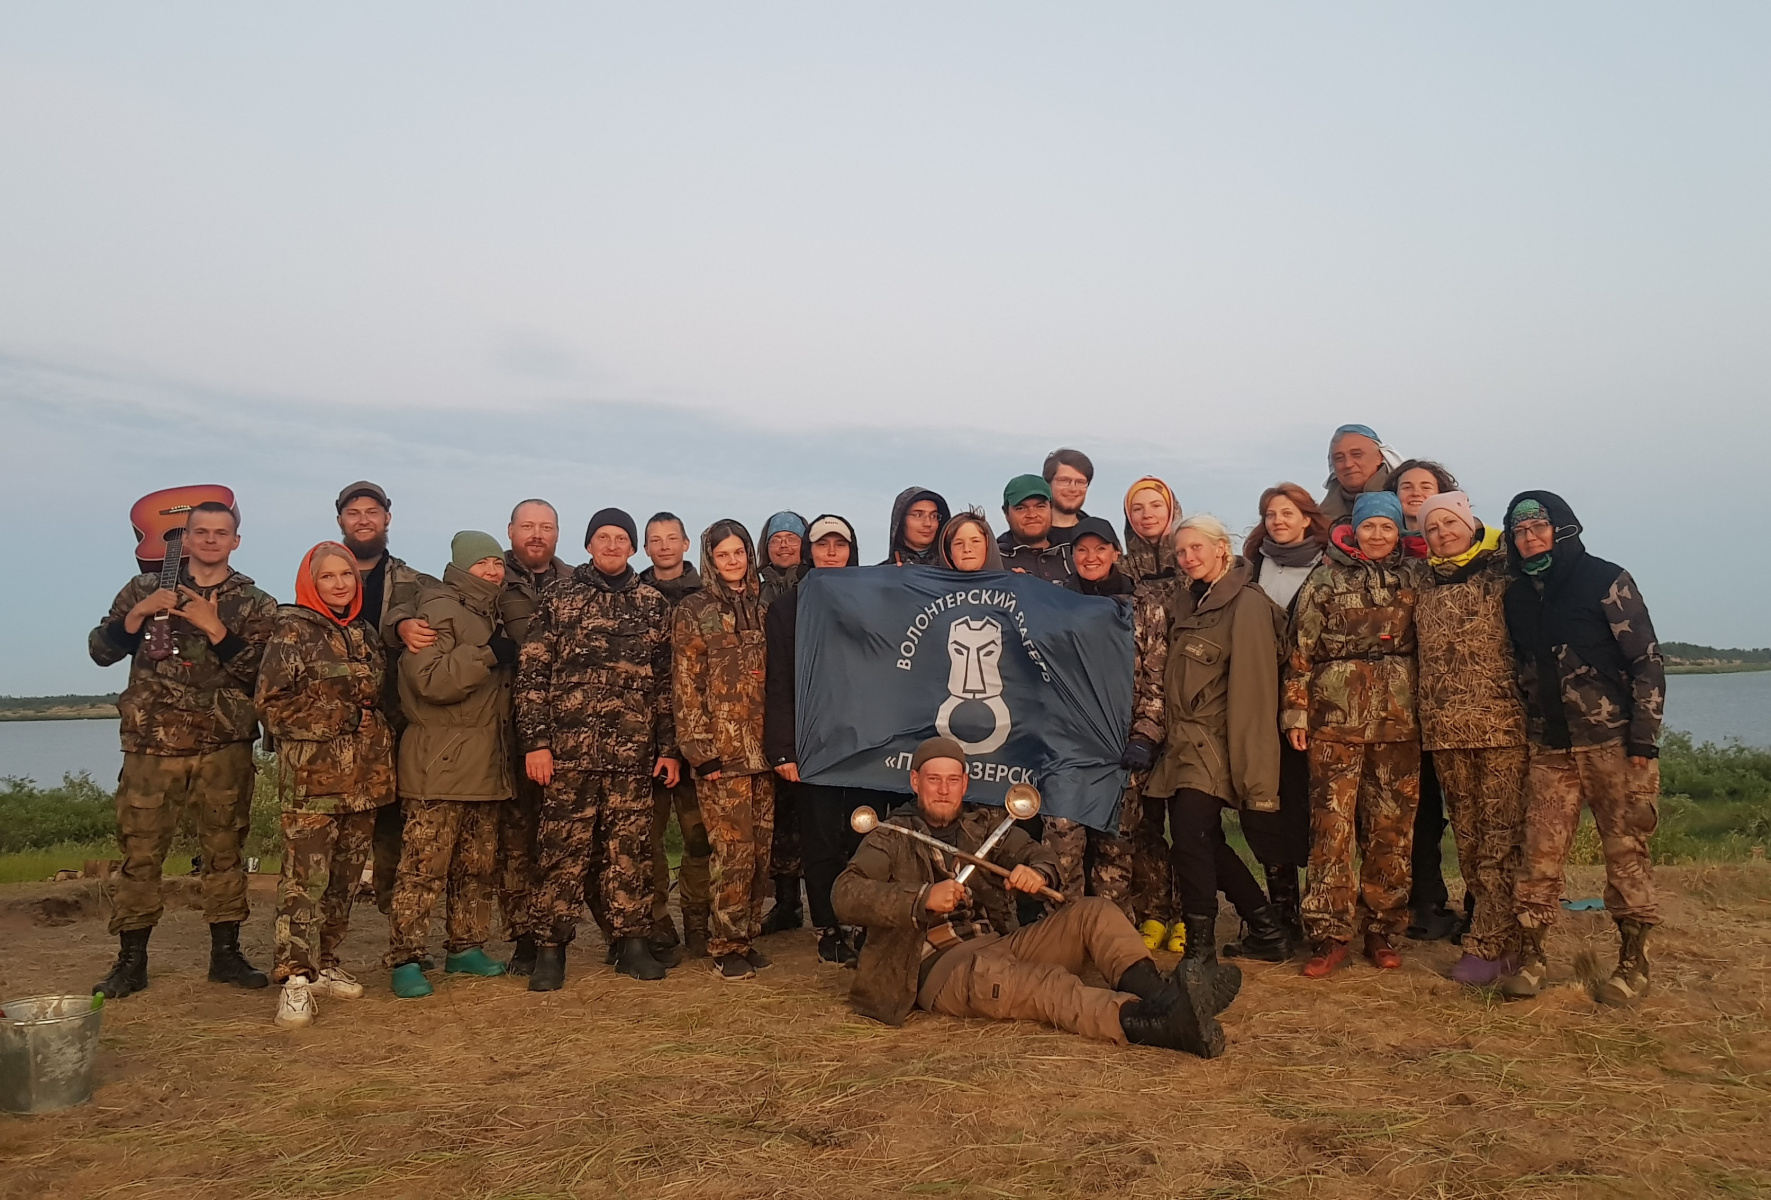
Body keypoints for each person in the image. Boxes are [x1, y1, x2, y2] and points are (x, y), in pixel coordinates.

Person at [831, 737, 1237, 1058]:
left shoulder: (982, 824)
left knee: (1094, 911)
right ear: (915, 782)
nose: (943, 790)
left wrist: (1037, 872)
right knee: (1046, 985)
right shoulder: (891, 836)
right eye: (933, 780)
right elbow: (845, 894)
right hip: (939, 969)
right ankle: (1154, 1025)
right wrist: (921, 897)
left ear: (964, 784)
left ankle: (1166, 998)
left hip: (999, 942)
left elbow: (1037, 854)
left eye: (952, 780)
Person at [88, 500, 277, 1000]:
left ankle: (226, 955)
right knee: (140, 852)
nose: (211, 540)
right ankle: (131, 961)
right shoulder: (145, 588)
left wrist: (217, 630)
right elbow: (100, 651)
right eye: (202, 532)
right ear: (186, 539)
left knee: (225, 851)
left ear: (236, 541)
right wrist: (137, 615)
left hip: (223, 744)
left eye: (221, 532)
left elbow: (266, 675)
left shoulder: (256, 603)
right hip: (152, 744)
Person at [1498, 492, 1665, 1006]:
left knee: (1626, 853)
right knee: (1538, 855)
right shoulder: (1516, 596)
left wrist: (1644, 738)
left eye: (1538, 528)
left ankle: (1633, 964)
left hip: (1615, 744)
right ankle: (1532, 959)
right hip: (1549, 746)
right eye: (1519, 531)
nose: (1530, 538)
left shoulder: (1605, 580)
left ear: (1562, 528)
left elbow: (1647, 661)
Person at [517, 508, 681, 990]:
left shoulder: (652, 604)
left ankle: (632, 944)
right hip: (568, 756)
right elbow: (532, 675)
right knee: (560, 854)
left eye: (621, 538)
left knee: (630, 853)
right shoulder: (559, 597)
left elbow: (666, 685)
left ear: (633, 548)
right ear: (588, 545)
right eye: (603, 537)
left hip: (632, 758)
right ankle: (550, 950)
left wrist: (668, 748)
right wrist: (536, 743)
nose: (612, 545)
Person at [1136, 516, 1291, 964]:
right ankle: (1266, 928)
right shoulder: (1190, 602)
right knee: (1202, 840)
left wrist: (1256, 777)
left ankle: (1200, 948)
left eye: (1196, 548)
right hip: (1181, 745)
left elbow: (1255, 695)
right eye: (1181, 552)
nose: (1187, 558)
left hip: (1216, 744)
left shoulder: (1247, 605)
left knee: (1190, 837)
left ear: (1222, 547)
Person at [254, 542, 397, 1029]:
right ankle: (295, 978)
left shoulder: (364, 633)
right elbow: (273, 706)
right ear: (310, 582)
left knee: (344, 881)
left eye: (346, 575)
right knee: (304, 881)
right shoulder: (292, 631)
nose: (339, 584)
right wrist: (345, 716)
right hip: (312, 783)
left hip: (364, 782)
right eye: (328, 576)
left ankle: (326, 961)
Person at [1284, 491, 1425, 977]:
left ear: (1398, 531)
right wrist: (1295, 713)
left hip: (1399, 721)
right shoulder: (1326, 578)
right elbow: (1300, 651)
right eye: (1369, 527)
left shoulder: (1415, 576)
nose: (1378, 535)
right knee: (1331, 827)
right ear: (1355, 530)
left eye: (1387, 527)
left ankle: (1383, 929)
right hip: (1335, 719)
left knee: (1392, 827)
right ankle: (1329, 932)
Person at [384, 533, 518, 998]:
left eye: (497, 563)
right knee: (423, 868)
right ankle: (406, 957)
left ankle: (465, 947)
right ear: (460, 567)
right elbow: (429, 681)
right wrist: (486, 655)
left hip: (486, 763)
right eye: (482, 563)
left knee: (476, 867)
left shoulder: (491, 611)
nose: (492, 571)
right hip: (439, 762)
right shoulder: (438, 610)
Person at [1413, 493, 1530, 986]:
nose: (1443, 533)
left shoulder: (1504, 571)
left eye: (1450, 523)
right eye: (1432, 528)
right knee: (1469, 838)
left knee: (1503, 837)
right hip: (1444, 730)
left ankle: (1497, 942)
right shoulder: (1421, 581)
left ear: (1469, 522)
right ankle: (1496, 932)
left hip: (1502, 725)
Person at [764, 513, 886, 965]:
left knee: (866, 836)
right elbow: (778, 683)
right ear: (808, 552)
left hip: (868, 744)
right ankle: (828, 927)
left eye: (840, 544)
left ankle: (864, 923)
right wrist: (783, 749)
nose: (831, 553)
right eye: (822, 544)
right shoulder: (787, 608)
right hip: (813, 744)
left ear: (852, 551)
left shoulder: (877, 601)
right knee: (820, 842)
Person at [674, 520, 776, 980]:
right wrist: (700, 750)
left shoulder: (765, 605)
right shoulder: (694, 610)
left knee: (759, 854)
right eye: (723, 554)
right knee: (731, 854)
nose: (733, 561)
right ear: (710, 560)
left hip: (764, 755)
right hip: (722, 756)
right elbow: (686, 685)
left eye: (739, 552)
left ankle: (747, 935)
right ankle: (726, 944)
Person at [1066, 517, 1169, 935]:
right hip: (1069, 747)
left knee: (1116, 843)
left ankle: (1113, 935)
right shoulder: (1055, 605)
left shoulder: (1145, 605)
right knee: (1063, 843)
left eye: (1099, 549)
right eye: (1081, 550)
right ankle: (1065, 933)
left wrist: (1145, 735)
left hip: (1123, 745)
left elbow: (1156, 680)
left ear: (1115, 553)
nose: (1091, 557)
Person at [1239, 483, 1330, 946]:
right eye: (1270, 514)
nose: (1278, 521)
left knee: (1307, 807)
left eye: (1287, 513)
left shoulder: (1328, 566)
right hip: (1256, 701)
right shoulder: (1250, 567)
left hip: (1312, 707)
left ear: (1307, 518)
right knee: (1261, 806)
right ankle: (1281, 910)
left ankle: (1319, 910)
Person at [336, 482, 432, 916]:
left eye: (372, 512)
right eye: (354, 512)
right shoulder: (320, 575)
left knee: (395, 827)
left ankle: (398, 926)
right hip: (334, 726)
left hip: (394, 722)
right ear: (341, 519)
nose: (363, 520)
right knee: (334, 830)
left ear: (387, 518)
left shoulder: (414, 582)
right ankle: (323, 934)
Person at [1384, 460, 1462, 940]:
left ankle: (1479, 905)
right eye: (1405, 486)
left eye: (1425, 486)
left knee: (1466, 808)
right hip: (1399, 703)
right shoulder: (1384, 552)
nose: (1415, 493)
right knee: (1417, 808)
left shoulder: (1455, 548)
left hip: (1453, 700)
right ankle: (1424, 900)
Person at [493, 499, 572, 975]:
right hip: (504, 731)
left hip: (569, 735)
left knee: (566, 841)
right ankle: (523, 937)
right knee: (517, 842)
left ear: (558, 534)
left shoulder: (576, 583)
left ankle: (564, 931)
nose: (536, 534)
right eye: (527, 526)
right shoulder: (489, 578)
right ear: (511, 531)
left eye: (545, 526)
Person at [638, 512, 712, 959]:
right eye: (655, 539)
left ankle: (698, 922)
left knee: (699, 838)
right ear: (646, 548)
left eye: (672, 538)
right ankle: (657, 923)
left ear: (686, 544)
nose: (664, 546)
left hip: (697, 736)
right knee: (646, 839)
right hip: (644, 739)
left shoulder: (707, 596)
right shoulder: (632, 594)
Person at [756, 511, 811, 930]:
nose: (785, 544)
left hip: (810, 707)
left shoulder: (819, 584)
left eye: (793, 537)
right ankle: (787, 901)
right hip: (763, 708)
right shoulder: (751, 588)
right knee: (778, 817)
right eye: (777, 539)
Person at [998, 474, 1075, 585]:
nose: (1032, 515)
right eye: (1021, 508)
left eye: (1040, 506)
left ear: (1051, 508)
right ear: (1006, 514)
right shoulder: (992, 560)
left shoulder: (1075, 554)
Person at [1319, 425, 1402, 524]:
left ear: (1379, 457)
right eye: (1339, 458)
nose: (1348, 464)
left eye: (1357, 455)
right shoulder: (1318, 519)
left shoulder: (1405, 503)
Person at [1120, 476, 1180, 585]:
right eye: (1137, 509)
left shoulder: (1194, 560)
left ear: (1171, 510)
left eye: (1156, 505)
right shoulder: (1120, 571)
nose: (1147, 515)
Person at [882, 488, 951, 567]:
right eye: (918, 515)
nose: (928, 523)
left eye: (933, 516)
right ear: (901, 520)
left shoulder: (953, 571)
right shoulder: (881, 573)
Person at [1042, 448, 1094, 546]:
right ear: (1048, 483)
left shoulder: (1099, 534)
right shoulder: (1029, 534)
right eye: (1064, 480)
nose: (1073, 489)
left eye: (1080, 482)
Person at [757, 511, 809, 606]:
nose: (783, 545)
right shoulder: (755, 596)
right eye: (776, 540)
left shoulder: (815, 588)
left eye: (791, 539)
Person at [938, 509, 1006, 572]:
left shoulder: (1010, 580)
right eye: (958, 543)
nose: (967, 549)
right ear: (949, 553)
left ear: (988, 547)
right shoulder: (933, 581)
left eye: (975, 541)